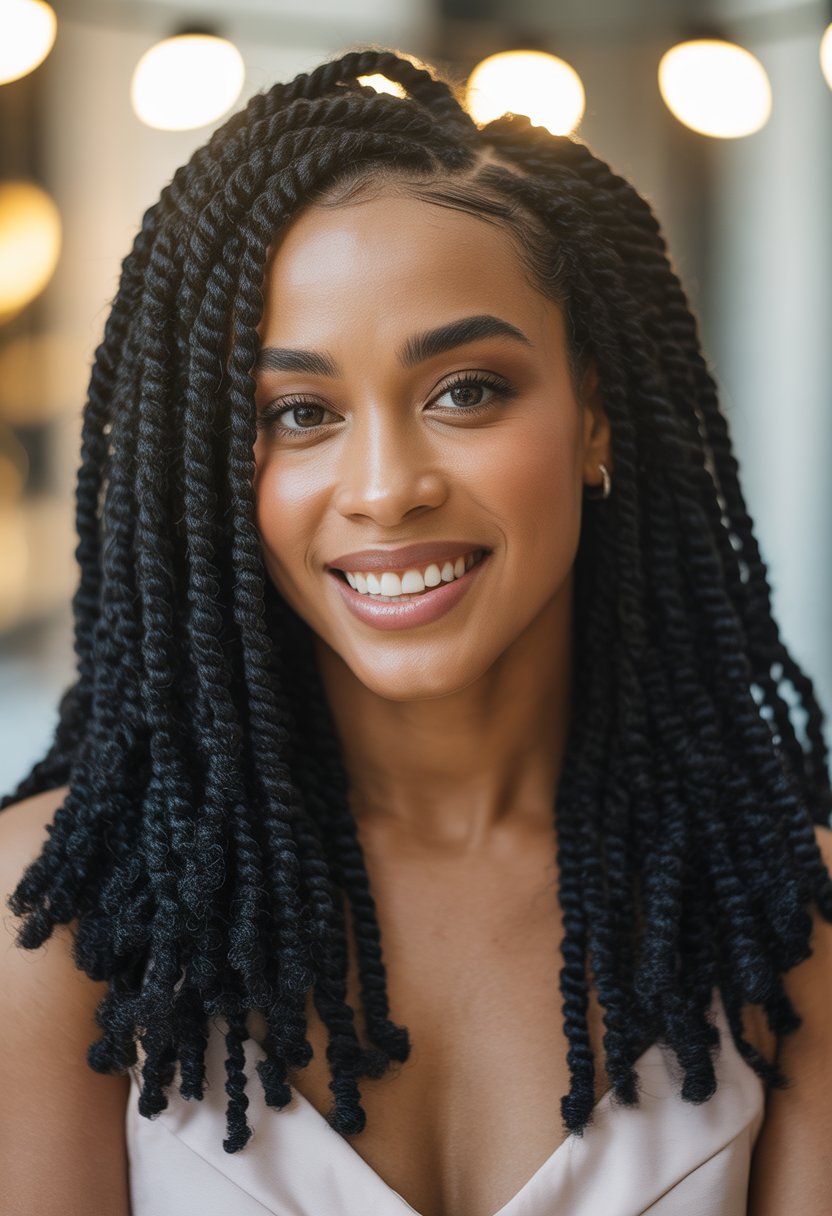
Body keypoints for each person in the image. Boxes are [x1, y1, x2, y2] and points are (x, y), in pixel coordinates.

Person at [1, 45, 831, 1216]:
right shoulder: (56, 919)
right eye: (299, 413)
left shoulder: (779, 911)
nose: (386, 487)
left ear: (594, 415)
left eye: (466, 390)